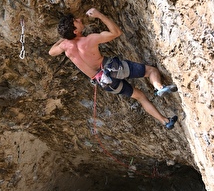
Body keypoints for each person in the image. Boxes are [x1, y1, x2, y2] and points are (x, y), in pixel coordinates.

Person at [49, 8, 178, 129]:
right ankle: (159, 88)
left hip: (104, 82)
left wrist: (64, 38)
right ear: (75, 31)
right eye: (76, 22)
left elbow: (51, 52)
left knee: (140, 96)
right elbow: (116, 32)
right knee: (151, 71)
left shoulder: (65, 46)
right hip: (113, 68)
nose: (79, 20)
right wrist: (99, 15)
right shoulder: (89, 40)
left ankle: (165, 121)